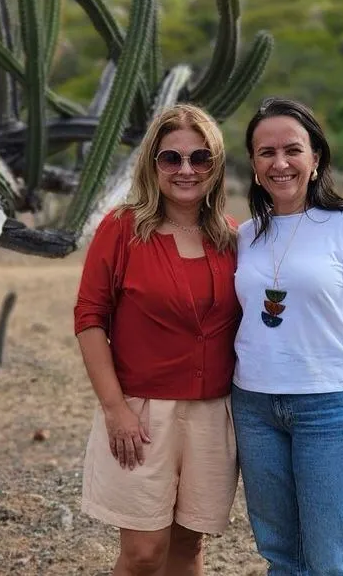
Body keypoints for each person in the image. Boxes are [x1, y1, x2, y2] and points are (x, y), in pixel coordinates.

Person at [73, 104, 240, 576]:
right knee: (144, 553)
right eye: (172, 158)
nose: (186, 170)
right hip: (143, 413)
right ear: (153, 164)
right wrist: (115, 408)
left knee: (188, 549)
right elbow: (89, 318)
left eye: (200, 158)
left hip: (212, 414)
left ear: (216, 165)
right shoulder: (122, 229)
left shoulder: (230, 237)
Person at [231, 97, 343, 575]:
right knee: (280, 552)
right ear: (254, 165)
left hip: (330, 405)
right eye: (266, 153)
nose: (280, 163)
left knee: (330, 558)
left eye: (292, 150)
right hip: (254, 406)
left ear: (315, 157)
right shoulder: (244, 236)